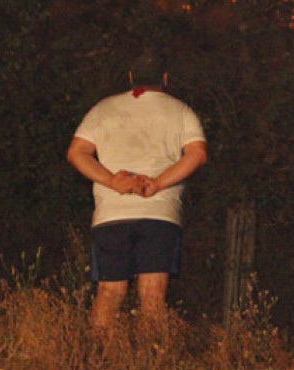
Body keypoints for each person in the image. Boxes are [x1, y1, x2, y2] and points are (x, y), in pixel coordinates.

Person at [67, 60, 207, 335]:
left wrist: (112, 181)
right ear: (165, 78)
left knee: (109, 291)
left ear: (130, 76)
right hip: (159, 213)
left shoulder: (103, 109)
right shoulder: (180, 110)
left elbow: (76, 152)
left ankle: (98, 359)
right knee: (153, 294)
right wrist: (156, 183)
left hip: (112, 213)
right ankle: (150, 362)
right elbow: (198, 154)